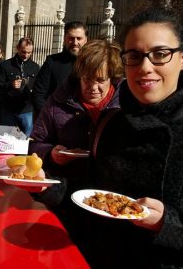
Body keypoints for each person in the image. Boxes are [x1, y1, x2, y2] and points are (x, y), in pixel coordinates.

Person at [85, 5, 183, 268]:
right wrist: (49, 186)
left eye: (160, 54)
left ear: (182, 58)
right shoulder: (110, 123)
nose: (145, 67)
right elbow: (90, 197)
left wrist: (168, 224)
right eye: (134, 56)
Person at [28, 39, 124, 253]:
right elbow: (34, 144)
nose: (93, 87)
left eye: (101, 80)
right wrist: (51, 153)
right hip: (66, 198)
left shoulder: (126, 104)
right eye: (87, 79)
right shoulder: (57, 103)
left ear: (112, 77)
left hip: (112, 205)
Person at [32, 21, 88, 115]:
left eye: (79, 38)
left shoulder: (92, 63)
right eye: (71, 38)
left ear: (86, 39)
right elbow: (38, 94)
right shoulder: (52, 62)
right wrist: (49, 117)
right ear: (65, 39)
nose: (75, 42)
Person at [0, 37, 40, 136]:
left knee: (26, 138)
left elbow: (39, 88)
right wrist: (10, 85)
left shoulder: (35, 67)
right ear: (17, 48)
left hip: (26, 109)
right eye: (24, 52)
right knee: (6, 138)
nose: (26, 55)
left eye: (29, 52)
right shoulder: (6, 65)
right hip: (8, 108)